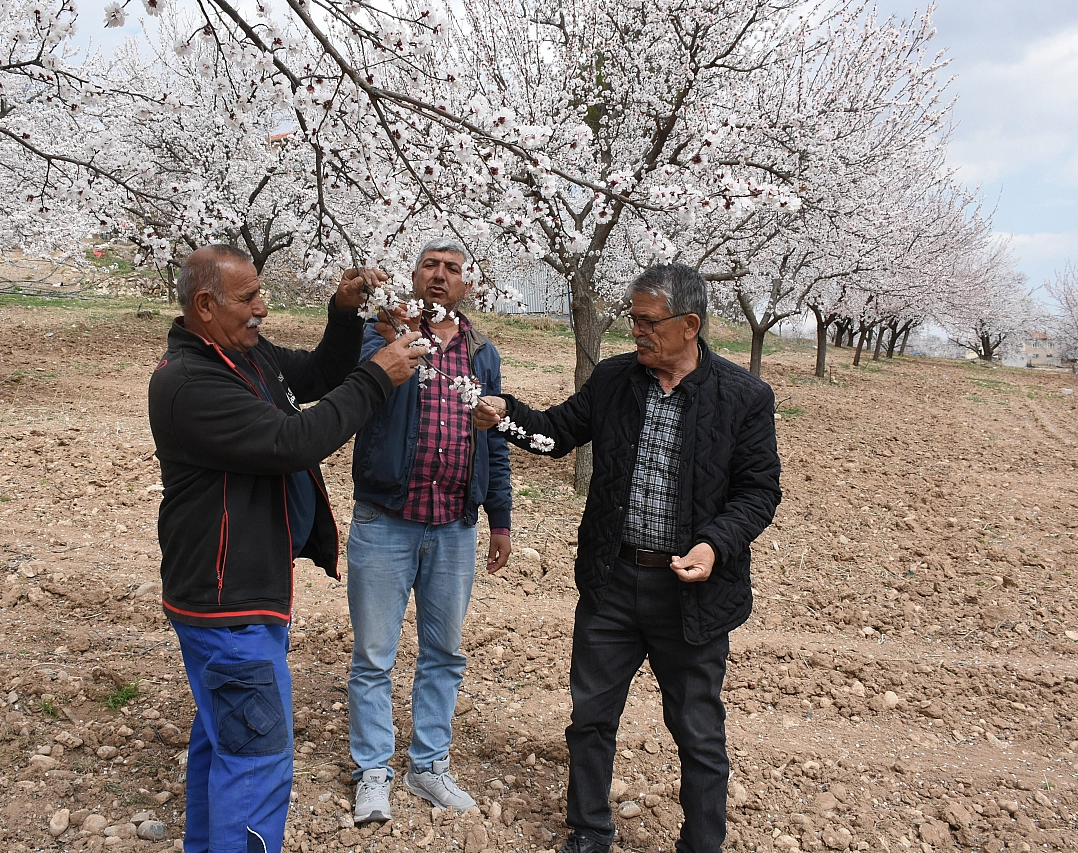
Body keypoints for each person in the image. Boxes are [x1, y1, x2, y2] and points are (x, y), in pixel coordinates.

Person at [473, 263, 782, 853]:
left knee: (697, 733)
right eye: (632, 319)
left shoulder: (743, 397)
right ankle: (588, 832)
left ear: (689, 325)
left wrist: (714, 544)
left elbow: (759, 491)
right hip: (612, 582)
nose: (635, 331)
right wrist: (506, 416)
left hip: (691, 594)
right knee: (590, 720)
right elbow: (557, 433)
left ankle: (701, 844)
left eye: (647, 321)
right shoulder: (616, 379)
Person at [148, 244, 422, 853]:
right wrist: (378, 377)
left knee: (224, 739)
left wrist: (343, 315)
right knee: (256, 758)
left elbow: (316, 376)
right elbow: (291, 441)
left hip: (236, 593)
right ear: (204, 304)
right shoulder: (190, 384)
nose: (262, 308)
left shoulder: (240, 354)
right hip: (227, 604)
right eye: (247, 298)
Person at [346, 237, 513, 824]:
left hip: (452, 526)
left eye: (452, 269)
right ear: (414, 275)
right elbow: (355, 389)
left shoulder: (481, 351)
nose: (440, 276)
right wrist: (392, 336)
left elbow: (492, 437)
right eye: (430, 266)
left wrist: (501, 518)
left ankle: (429, 766)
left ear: (468, 283)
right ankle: (373, 771)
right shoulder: (384, 336)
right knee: (373, 655)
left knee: (444, 652)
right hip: (385, 520)